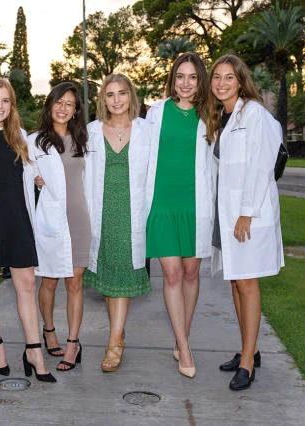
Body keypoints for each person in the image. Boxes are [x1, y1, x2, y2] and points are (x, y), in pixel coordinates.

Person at [0, 77, 55, 383]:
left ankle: (33, 350)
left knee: (26, 284)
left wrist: (41, 178)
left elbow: (40, 173)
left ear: (11, 105)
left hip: (17, 219)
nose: (0, 107)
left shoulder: (22, 139)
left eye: (6, 101)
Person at [206, 53, 284, 390]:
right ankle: (246, 349)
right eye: (217, 78)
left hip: (245, 215)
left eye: (229, 77)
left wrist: (245, 213)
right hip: (227, 214)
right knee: (236, 282)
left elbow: (262, 165)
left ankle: (249, 362)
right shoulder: (221, 117)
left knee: (247, 284)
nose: (221, 83)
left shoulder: (255, 115)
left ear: (241, 81)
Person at [144, 52, 213, 378]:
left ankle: (179, 337)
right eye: (180, 76)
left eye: (192, 77)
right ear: (172, 78)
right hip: (161, 204)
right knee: (171, 274)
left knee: (189, 273)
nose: (185, 83)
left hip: (195, 205)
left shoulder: (210, 115)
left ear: (200, 80)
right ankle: (185, 348)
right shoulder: (156, 113)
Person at [83, 74, 152, 372]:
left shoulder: (147, 130)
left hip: (132, 209)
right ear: (103, 100)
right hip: (101, 210)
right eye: (110, 95)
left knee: (123, 272)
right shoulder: (91, 132)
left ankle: (114, 342)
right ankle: (119, 331)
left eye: (122, 93)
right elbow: (74, 166)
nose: (116, 100)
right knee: (110, 277)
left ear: (131, 96)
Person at [29, 82, 90, 371]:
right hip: (52, 221)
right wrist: (35, 179)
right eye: (58, 102)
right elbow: (24, 175)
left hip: (80, 220)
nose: (63, 108)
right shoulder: (36, 141)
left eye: (69, 103)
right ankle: (49, 331)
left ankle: (73, 343)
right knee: (50, 280)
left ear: (76, 109)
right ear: (49, 105)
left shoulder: (84, 140)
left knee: (75, 283)